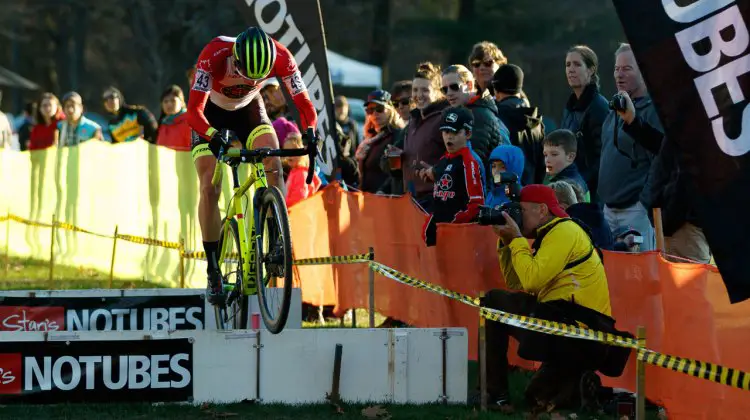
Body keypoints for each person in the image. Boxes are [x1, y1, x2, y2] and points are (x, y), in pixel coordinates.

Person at [186, 26, 318, 303]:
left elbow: (304, 104)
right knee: (210, 184)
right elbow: (194, 111)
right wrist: (212, 136)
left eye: (258, 77)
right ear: (235, 59)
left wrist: (311, 132)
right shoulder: (214, 54)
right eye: (246, 73)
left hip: (248, 109)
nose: (250, 79)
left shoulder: (282, 57)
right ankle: (213, 269)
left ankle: (276, 236)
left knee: (272, 160)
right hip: (209, 115)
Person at [485, 185, 630, 413]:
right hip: (572, 332)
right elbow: (517, 282)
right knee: (537, 397)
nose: (516, 217)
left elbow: (531, 280)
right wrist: (507, 242)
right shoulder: (552, 234)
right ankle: (589, 391)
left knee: (493, 301)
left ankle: (496, 394)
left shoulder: (564, 231)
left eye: (520, 210)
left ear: (542, 210)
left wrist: (518, 239)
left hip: (575, 331)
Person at [599, 43, 663, 252]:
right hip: (609, 210)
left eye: (627, 69)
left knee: (640, 275)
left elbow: (660, 160)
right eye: (617, 69)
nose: (619, 74)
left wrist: (643, 202)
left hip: (636, 212)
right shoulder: (613, 112)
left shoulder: (653, 111)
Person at [419, 106, 484, 246]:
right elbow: (440, 196)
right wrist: (430, 221)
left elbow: (476, 204)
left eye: (455, 132)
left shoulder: (470, 162)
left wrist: (453, 222)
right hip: (439, 235)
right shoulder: (443, 160)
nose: (449, 136)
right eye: (446, 131)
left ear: (467, 133)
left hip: (458, 235)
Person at [560, 45, 609, 203]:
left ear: (591, 70)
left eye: (577, 64)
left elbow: (603, 158)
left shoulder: (599, 107)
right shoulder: (570, 108)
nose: (571, 69)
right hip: (571, 188)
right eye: (568, 65)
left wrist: (580, 183)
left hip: (594, 194)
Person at [492, 64, 546, 185]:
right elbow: (542, 165)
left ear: (496, 88)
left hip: (507, 191)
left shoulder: (496, 119)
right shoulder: (536, 121)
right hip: (532, 192)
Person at [542, 129, 589, 202]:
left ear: (570, 157)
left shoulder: (569, 187)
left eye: (554, 154)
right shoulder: (553, 176)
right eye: (545, 155)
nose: (547, 160)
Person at [283, 133, 322, 207]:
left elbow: (299, 199)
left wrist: (282, 206)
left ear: (302, 153)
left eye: (293, 151)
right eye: (286, 151)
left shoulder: (301, 174)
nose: (289, 155)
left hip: (296, 214)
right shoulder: (295, 171)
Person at [485, 145, 525, 209]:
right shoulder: (491, 195)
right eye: (493, 166)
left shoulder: (522, 197)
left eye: (503, 167)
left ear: (515, 168)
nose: (496, 171)